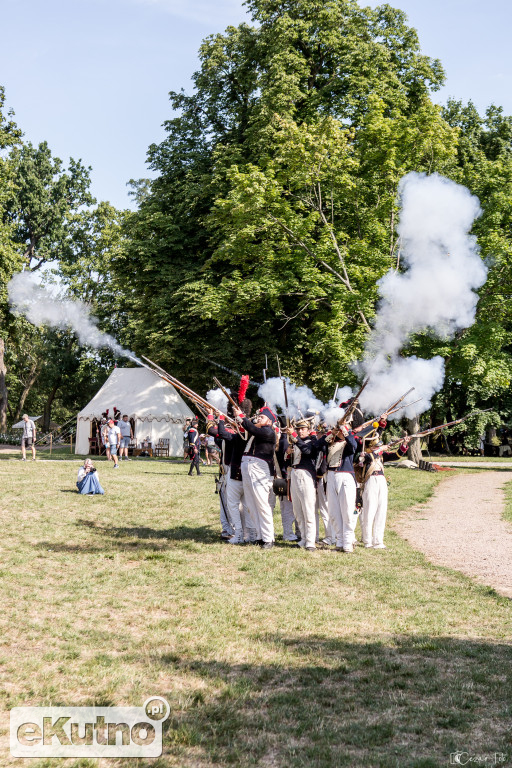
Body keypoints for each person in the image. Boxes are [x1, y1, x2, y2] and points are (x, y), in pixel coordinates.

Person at [235, 405, 278, 550]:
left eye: (262, 417)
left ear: (270, 421)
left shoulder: (268, 432)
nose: (259, 418)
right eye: (259, 416)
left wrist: (242, 417)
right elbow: (246, 429)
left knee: (261, 504)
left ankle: (268, 538)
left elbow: (252, 428)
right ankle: (260, 536)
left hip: (260, 469)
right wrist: (238, 417)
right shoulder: (257, 430)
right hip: (248, 467)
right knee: (252, 505)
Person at [357, 437, 409, 549]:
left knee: (381, 510)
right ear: (370, 447)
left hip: (381, 481)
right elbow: (363, 458)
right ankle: (367, 541)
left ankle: (378, 540)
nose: (377, 448)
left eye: (378, 446)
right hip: (370, 481)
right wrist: (379, 449)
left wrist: (404, 443)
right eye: (375, 446)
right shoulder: (366, 455)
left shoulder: (380, 455)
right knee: (370, 511)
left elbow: (396, 456)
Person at [316, 422, 359, 553]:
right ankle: (340, 542)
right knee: (333, 512)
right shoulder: (329, 442)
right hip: (330, 476)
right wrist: (332, 433)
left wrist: (346, 431)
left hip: (345, 476)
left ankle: (348, 542)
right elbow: (317, 445)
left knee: (347, 511)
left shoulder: (349, 439)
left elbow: (353, 446)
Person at [286, 419, 319, 551]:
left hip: (306, 476)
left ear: (309, 430)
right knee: (298, 510)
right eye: (298, 429)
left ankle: (311, 541)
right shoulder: (295, 442)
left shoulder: (313, 442)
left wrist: (294, 436)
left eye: (303, 429)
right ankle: (304, 538)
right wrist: (288, 453)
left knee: (308, 509)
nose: (300, 431)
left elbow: (307, 451)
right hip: (294, 474)